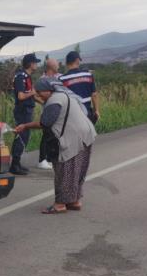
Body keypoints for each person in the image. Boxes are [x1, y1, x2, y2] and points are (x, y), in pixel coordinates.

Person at [14, 78, 97, 214]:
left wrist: (25, 126)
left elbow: (45, 123)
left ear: (49, 90)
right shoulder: (64, 95)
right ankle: (74, 201)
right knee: (77, 171)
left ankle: (60, 204)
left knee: (64, 171)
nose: (38, 94)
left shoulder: (54, 101)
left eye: (40, 92)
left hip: (72, 139)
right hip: (85, 135)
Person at [9, 53, 39, 175]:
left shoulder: (26, 76)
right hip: (23, 111)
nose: (37, 64)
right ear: (30, 64)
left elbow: (31, 94)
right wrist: (32, 93)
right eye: (35, 62)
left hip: (27, 110)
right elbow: (21, 96)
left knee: (24, 137)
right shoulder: (21, 76)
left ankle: (17, 163)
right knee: (21, 137)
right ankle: (14, 165)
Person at [59, 51, 100, 124]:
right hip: (87, 114)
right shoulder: (88, 75)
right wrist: (96, 110)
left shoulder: (62, 79)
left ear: (67, 63)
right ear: (77, 60)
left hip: (71, 117)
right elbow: (94, 95)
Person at [37, 58, 61, 170]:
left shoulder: (57, 77)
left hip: (57, 111)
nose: (59, 67)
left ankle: (50, 159)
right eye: (57, 65)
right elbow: (35, 95)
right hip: (48, 111)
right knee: (46, 135)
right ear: (51, 66)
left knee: (54, 136)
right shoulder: (43, 80)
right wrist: (46, 102)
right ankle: (42, 160)